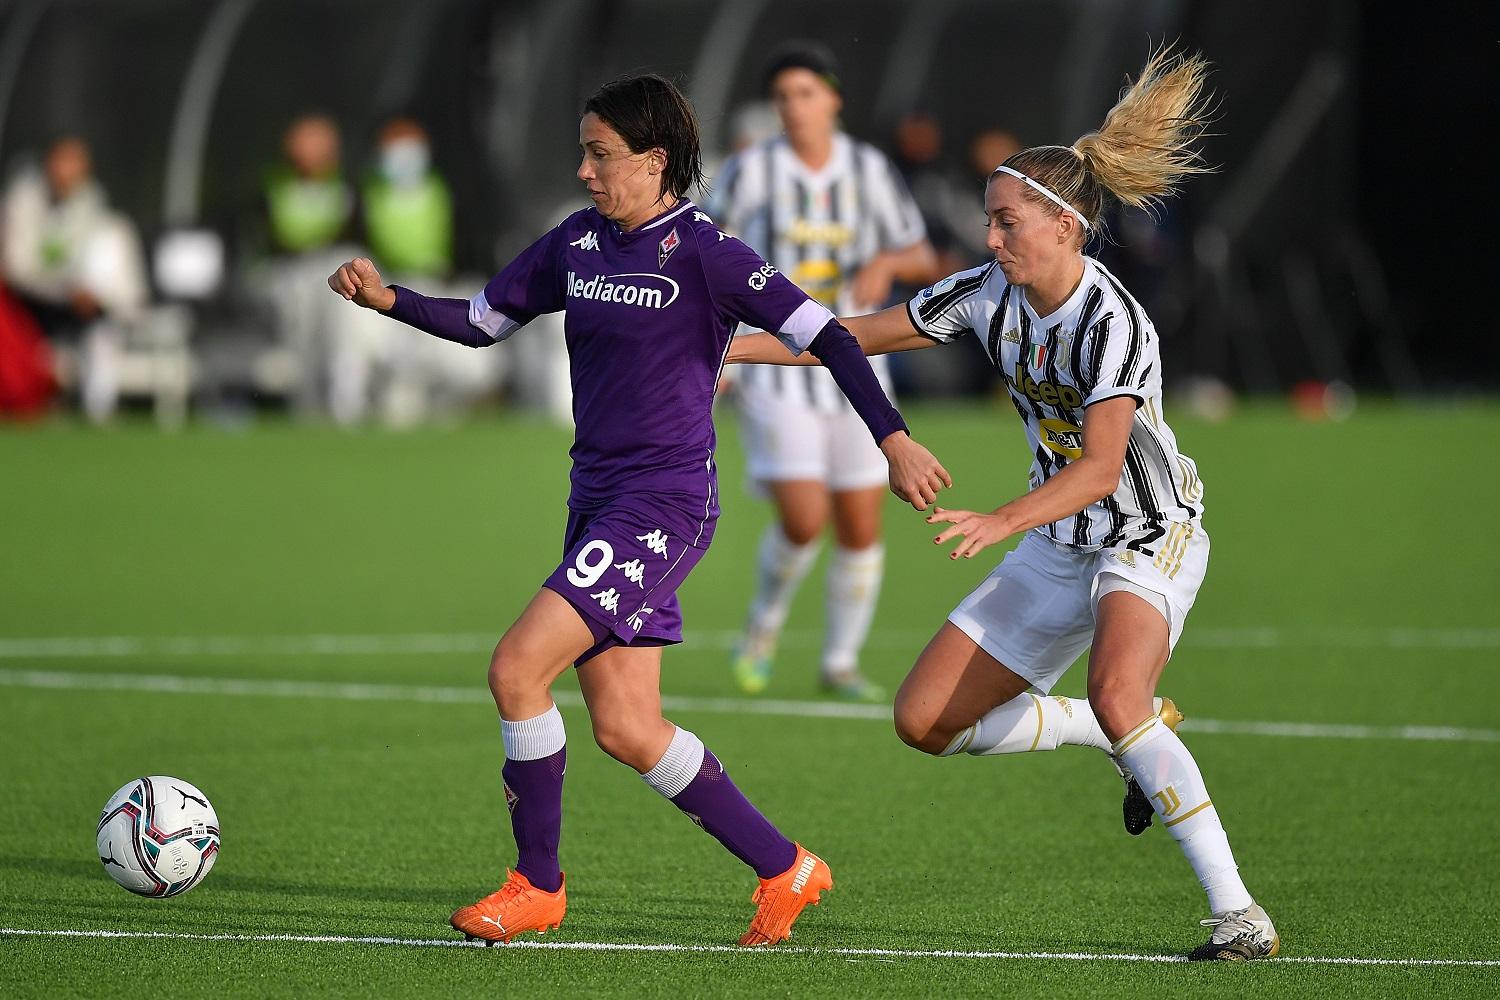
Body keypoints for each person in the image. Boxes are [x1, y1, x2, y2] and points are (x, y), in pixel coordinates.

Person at [326, 74, 950, 947]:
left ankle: (536, 886)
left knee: (516, 671)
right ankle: (786, 867)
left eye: (599, 154)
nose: (584, 171)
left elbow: (831, 335)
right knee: (626, 727)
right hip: (595, 501)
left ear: (654, 161)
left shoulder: (709, 253)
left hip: (664, 503)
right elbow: (478, 321)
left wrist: (892, 440)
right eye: (582, 151)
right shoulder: (575, 244)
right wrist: (386, 298)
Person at [725, 48, 1279, 961]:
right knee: (923, 722)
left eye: (1006, 223)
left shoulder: (1114, 322)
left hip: (1147, 532)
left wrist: (998, 521)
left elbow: (1104, 469)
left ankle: (1238, 914)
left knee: (1119, 688)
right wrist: (727, 347)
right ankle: (1105, 734)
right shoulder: (990, 293)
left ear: (1064, 226)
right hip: (1057, 541)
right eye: (989, 221)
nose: (990, 240)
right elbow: (855, 335)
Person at [710, 42, 942, 701]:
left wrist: (889, 265)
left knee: (861, 524)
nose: (794, 108)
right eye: (783, 97)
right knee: (805, 517)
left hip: (855, 365)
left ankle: (840, 661)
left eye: (806, 93)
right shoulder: (751, 170)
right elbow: (705, 252)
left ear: (834, 99)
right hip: (777, 367)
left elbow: (922, 253)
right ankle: (763, 626)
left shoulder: (868, 170)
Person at [0, 136, 148, 422]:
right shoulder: (23, 200)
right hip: (28, 299)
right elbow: (18, 267)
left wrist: (87, 292)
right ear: (49, 163)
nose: (69, 170)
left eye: (76, 162)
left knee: (102, 326)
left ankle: (98, 408)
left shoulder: (92, 201)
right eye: (63, 161)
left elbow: (86, 257)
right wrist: (64, 289)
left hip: (72, 299)